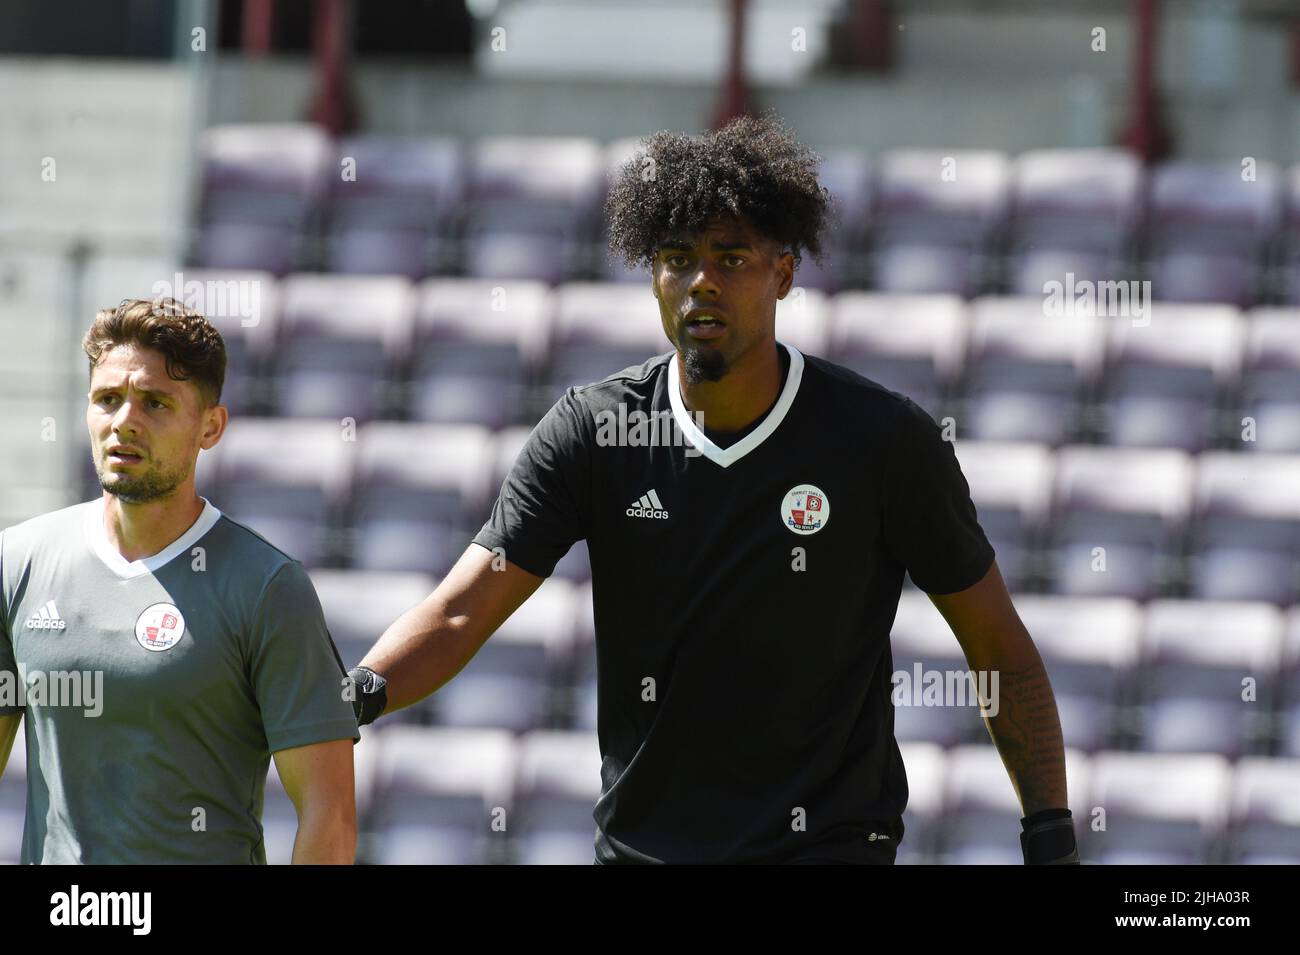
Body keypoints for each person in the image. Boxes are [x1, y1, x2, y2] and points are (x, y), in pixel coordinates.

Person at [347, 112, 1079, 865]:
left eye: (732, 257)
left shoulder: (882, 440)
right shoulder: (592, 433)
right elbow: (462, 608)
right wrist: (354, 695)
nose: (702, 281)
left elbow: (996, 644)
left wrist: (1050, 832)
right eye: (677, 258)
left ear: (784, 273)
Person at [0, 297, 359, 864]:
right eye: (107, 400)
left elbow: (329, 817)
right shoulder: (16, 565)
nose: (125, 421)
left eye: (156, 403)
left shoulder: (267, 586)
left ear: (210, 426)